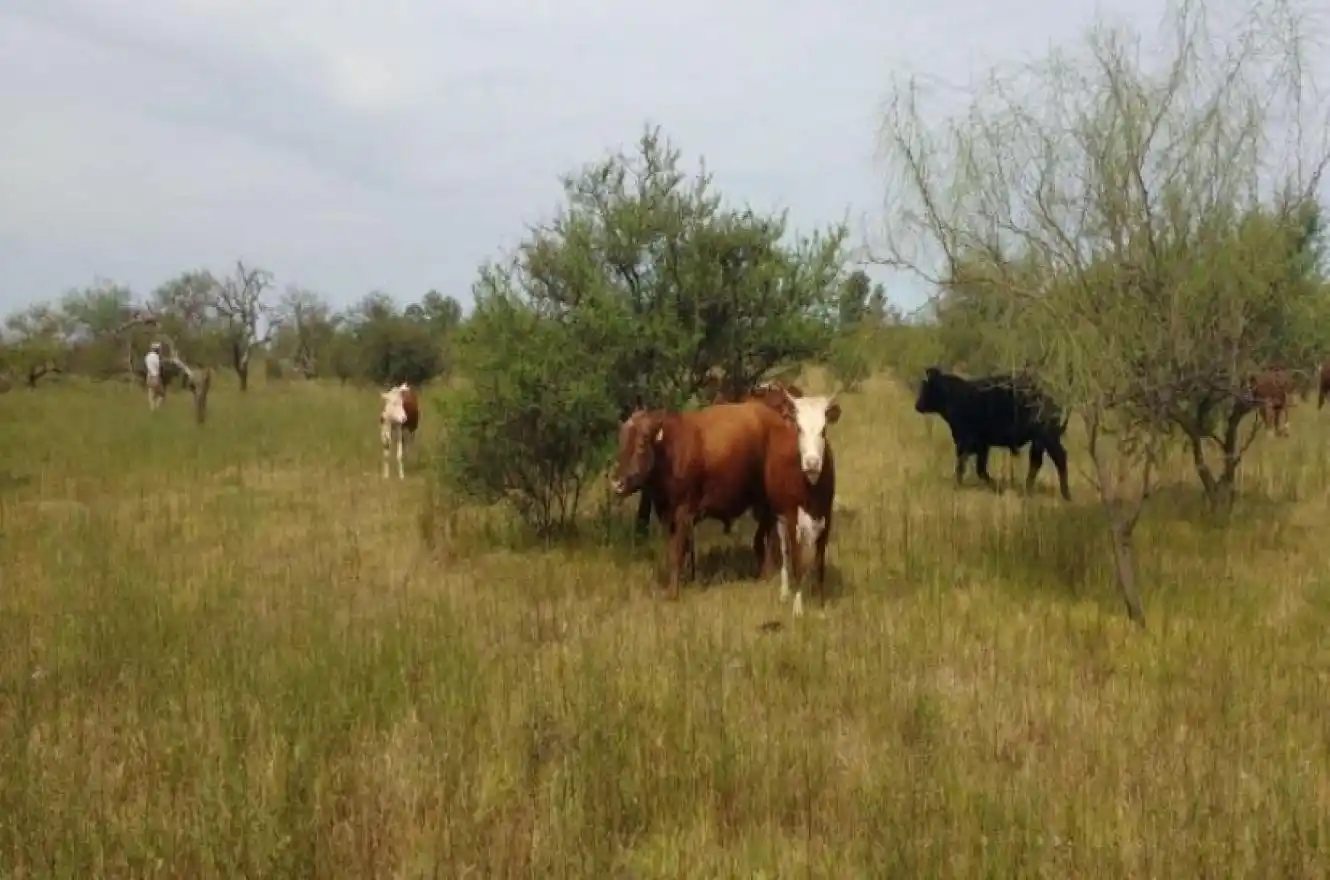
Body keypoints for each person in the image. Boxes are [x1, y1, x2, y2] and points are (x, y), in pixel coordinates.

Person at [145, 342, 165, 411]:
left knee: (151, 391)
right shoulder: (157, 357)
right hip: (155, 376)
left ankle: (152, 408)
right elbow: (158, 367)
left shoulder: (147, 356)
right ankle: (157, 406)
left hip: (149, 375)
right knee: (161, 394)